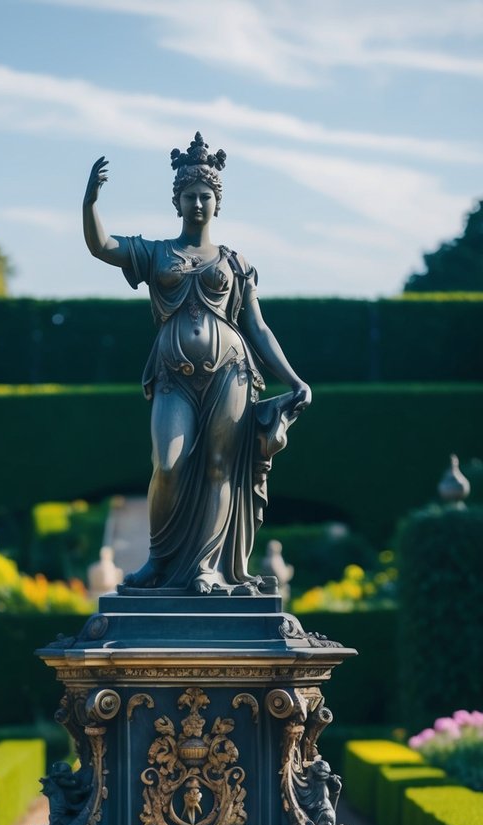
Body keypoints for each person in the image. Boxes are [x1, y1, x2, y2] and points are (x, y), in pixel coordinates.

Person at [83, 133, 311, 594]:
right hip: (172, 377)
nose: (198, 203)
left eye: (206, 196)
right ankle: (159, 561)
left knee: (218, 468)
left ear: (217, 202)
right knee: (166, 464)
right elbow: (103, 246)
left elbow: (258, 328)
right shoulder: (156, 253)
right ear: (177, 201)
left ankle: (208, 566)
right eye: (190, 196)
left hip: (232, 372)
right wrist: (90, 204)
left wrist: (293, 378)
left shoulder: (235, 261)